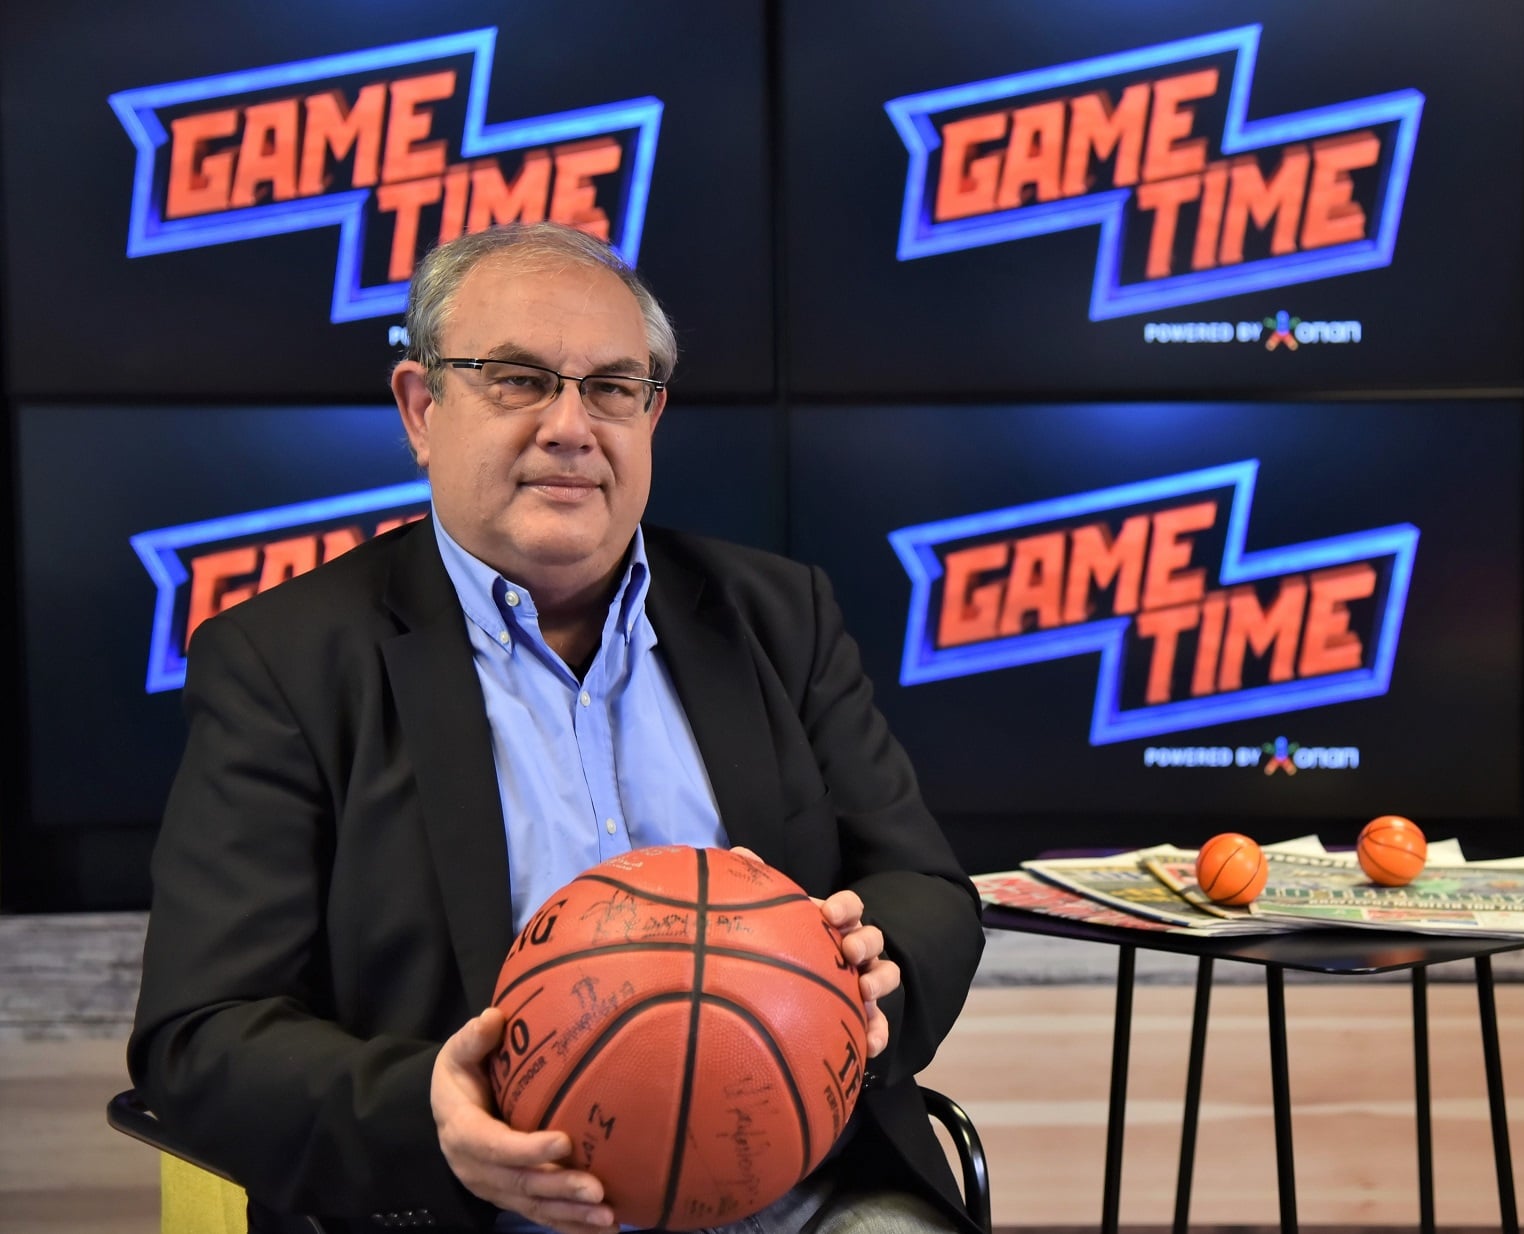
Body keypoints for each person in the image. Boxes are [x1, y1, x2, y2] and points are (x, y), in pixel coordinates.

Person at [129, 222, 986, 1234]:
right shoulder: (285, 661)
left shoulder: (776, 615)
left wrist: (876, 968)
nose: (570, 427)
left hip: (796, 1188)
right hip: (475, 1209)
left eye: (612, 387)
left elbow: (925, 888)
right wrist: (432, 1116)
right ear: (421, 408)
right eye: (518, 380)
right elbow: (201, 1035)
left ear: (650, 414)